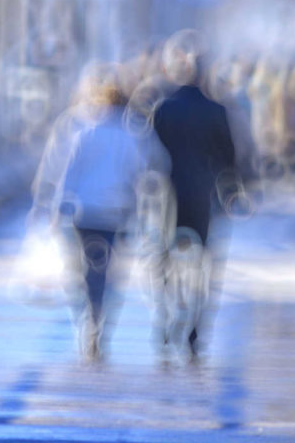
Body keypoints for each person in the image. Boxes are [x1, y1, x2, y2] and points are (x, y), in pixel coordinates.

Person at [30, 64, 168, 363]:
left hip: (82, 211)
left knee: (79, 270)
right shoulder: (133, 130)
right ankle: (101, 323)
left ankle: (85, 320)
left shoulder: (83, 129)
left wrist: (53, 209)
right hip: (115, 212)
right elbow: (148, 167)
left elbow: (68, 171)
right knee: (107, 272)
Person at [152, 32, 237, 361]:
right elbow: (228, 158)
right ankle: (195, 330)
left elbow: (151, 155)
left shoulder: (163, 109)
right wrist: (233, 189)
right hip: (203, 196)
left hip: (169, 197)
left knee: (162, 260)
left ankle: (165, 318)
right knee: (205, 264)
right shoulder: (216, 111)